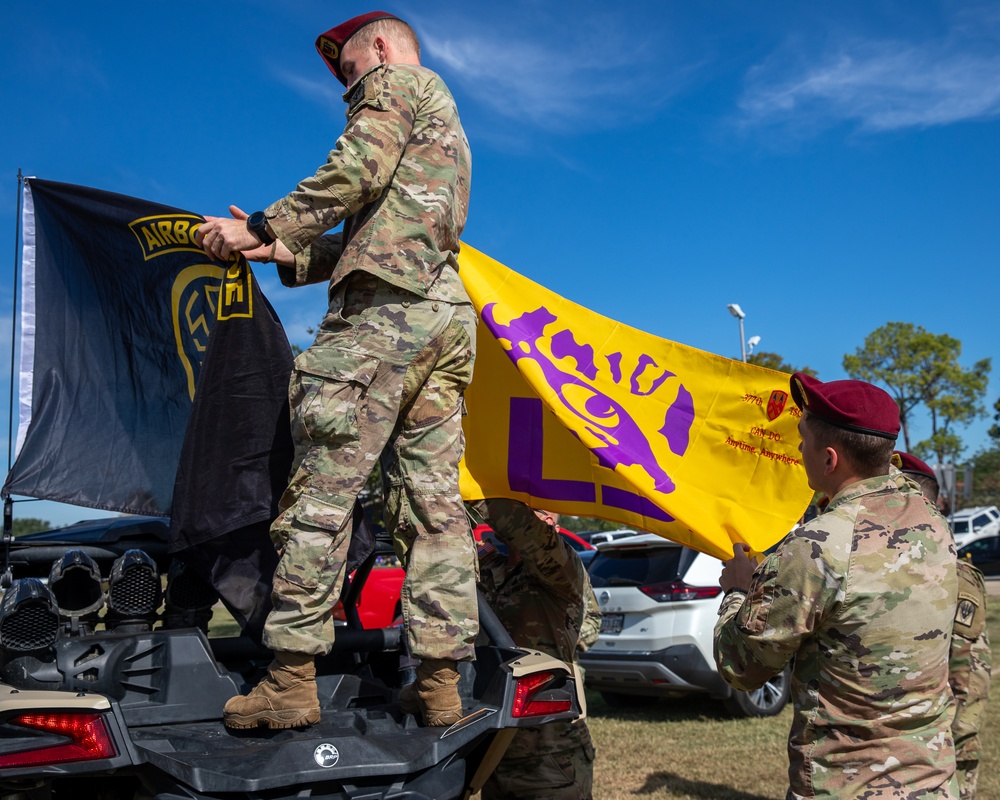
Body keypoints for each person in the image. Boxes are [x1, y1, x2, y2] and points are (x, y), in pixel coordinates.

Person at [196, 11, 478, 730]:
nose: (349, 86)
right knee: (436, 513)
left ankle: (290, 682)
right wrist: (282, 252)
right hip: (441, 318)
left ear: (378, 50)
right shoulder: (443, 117)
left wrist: (261, 225)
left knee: (321, 497)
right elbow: (376, 229)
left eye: (348, 70)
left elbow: (356, 169)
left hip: (381, 324)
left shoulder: (394, 84)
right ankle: (442, 687)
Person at [713, 372, 959, 799]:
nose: (796, 448)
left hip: (848, 786)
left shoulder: (817, 548)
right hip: (934, 783)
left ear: (829, 460)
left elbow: (741, 668)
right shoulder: (932, 522)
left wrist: (737, 591)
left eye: (802, 437)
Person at [466, 499, 599, 800]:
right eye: (534, 509)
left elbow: (526, 530)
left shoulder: (564, 570)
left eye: (546, 513)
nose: (545, 520)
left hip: (549, 756)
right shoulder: (491, 568)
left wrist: (478, 493)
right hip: (496, 749)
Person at [893, 451, 991, 800]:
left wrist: (952, 746)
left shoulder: (954, 575)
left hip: (939, 752)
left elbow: (969, 679)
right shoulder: (887, 570)